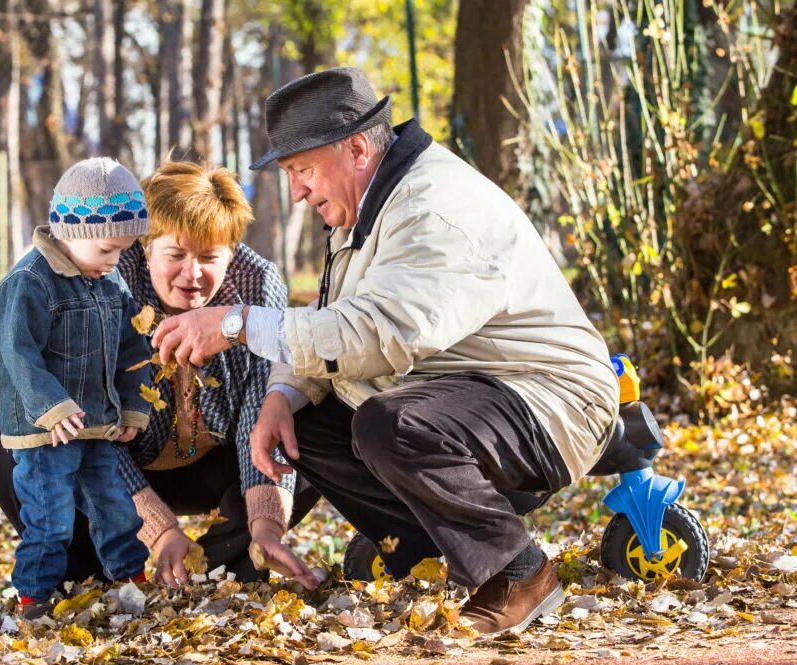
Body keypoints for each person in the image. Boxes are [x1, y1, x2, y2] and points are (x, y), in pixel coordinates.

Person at [150, 67, 621, 634]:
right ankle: (425, 553)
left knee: (389, 423)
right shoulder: (370, 203)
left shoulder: (432, 210)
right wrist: (283, 394)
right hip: (467, 387)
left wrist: (234, 322)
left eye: (302, 170)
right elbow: (334, 322)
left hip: (549, 398)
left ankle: (517, 569)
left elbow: (379, 334)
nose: (296, 190)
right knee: (310, 425)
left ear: (355, 149)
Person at [0, 160, 320, 589]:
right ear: (146, 247)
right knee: (9, 437)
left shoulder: (256, 285)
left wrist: (267, 524)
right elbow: (93, 411)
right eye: (175, 255)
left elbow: (260, 402)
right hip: (121, 457)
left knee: (304, 415)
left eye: (209, 257)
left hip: (218, 461)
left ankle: (228, 563)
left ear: (232, 254)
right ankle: (89, 573)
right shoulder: (107, 279)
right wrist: (160, 531)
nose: (192, 274)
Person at [0, 157, 153, 616]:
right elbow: (17, 354)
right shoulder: (29, 283)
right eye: (107, 249)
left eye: (123, 251)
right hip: (48, 434)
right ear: (73, 233)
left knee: (116, 509)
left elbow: (131, 347)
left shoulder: (108, 281)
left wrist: (134, 406)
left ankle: (131, 579)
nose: (115, 261)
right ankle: (33, 595)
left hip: (96, 426)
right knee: (50, 518)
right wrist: (52, 407)